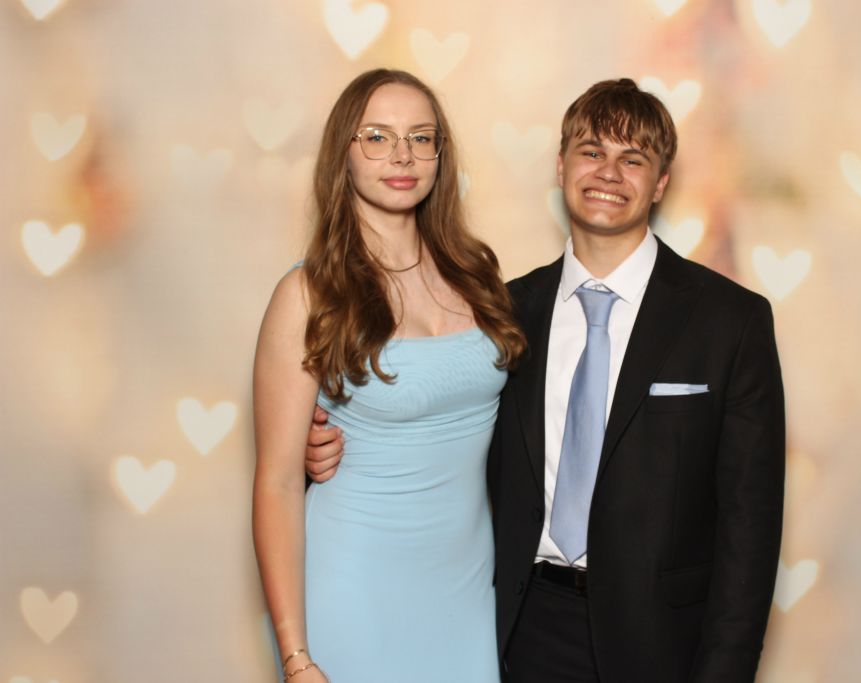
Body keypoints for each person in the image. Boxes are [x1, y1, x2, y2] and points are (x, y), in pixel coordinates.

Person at [306, 78, 785, 683]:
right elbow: (437, 426)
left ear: (661, 182)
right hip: (518, 630)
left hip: (663, 641)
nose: (608, 172)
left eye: (632, 159)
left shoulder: (730, 321)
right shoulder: (501, 313)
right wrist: (322, 444)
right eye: (592, 151)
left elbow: (751, 526)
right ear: (561, 167)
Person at [252, 68, 524, 683]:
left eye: (420, 137)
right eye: (376, 137)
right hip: (352, 590)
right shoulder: (307, 295)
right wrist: (296, 658)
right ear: (342, 154)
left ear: (439, 155)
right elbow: (277, 483)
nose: (402, 155)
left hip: (466, 595)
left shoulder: (478, 276)